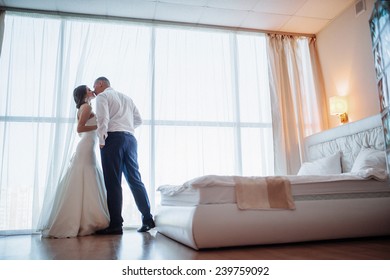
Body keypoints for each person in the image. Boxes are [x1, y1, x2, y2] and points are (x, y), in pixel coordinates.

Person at [38, 85, 110, 238]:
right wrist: (99, 126)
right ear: (84, 94)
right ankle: (83, 220)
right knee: (85, 176)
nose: (92, 91)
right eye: (89, 89)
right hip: (85, 147)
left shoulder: (87, 106)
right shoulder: (85, 107)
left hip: (88, 146)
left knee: (89, 178)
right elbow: (79, 128)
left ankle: (87, 219)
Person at [94, 76, 155, 234]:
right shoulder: (127, 98)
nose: (94, 90)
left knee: (113, 182)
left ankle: (116, 225)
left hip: (113, 139)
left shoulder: (102, 96)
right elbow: (139, 120)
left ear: (101, 84)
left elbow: (103, 118)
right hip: (130, 139)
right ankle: (148, 219)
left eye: (95, 86)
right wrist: (126, 127)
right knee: (135, 180)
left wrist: (102, 139)